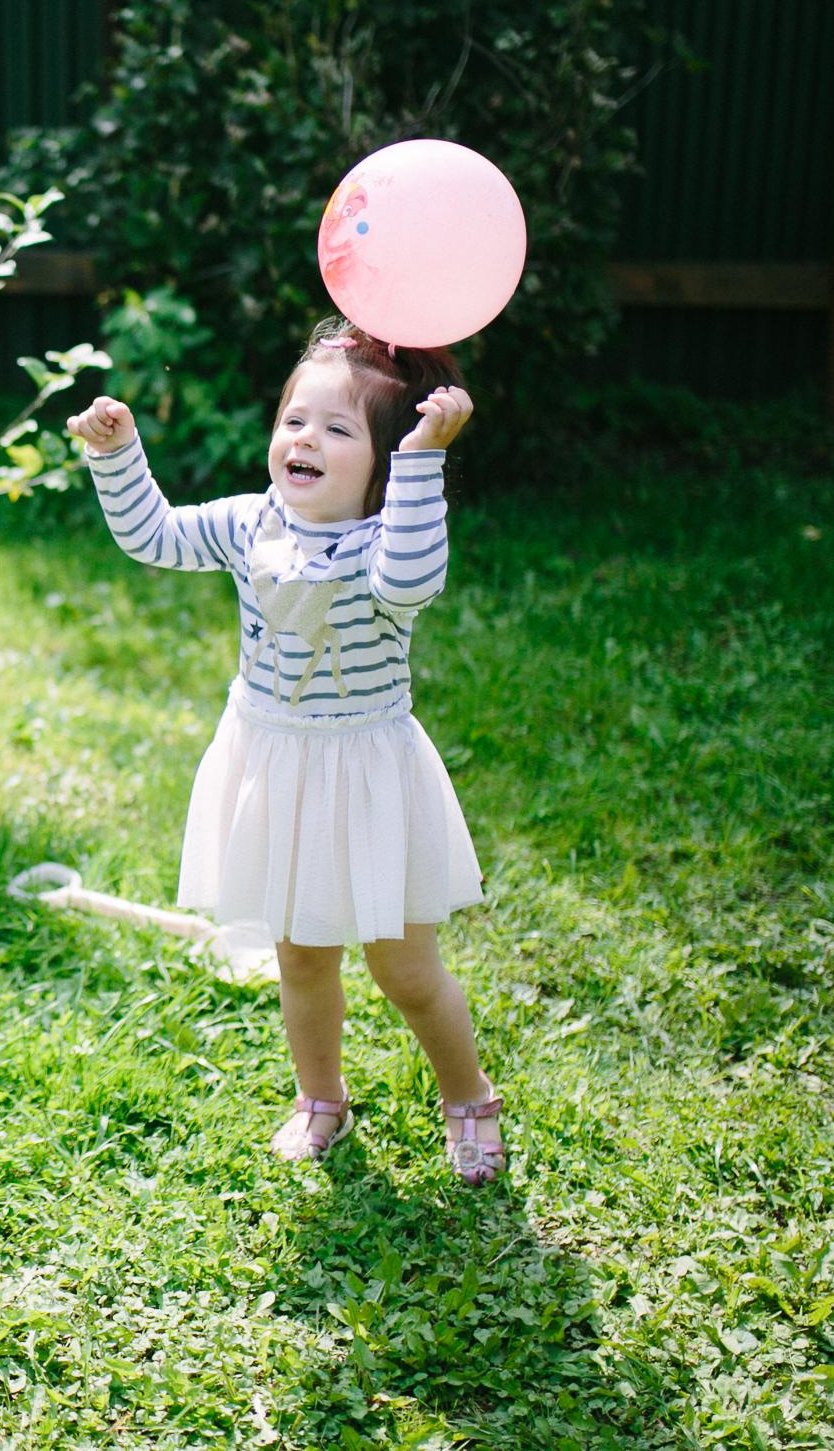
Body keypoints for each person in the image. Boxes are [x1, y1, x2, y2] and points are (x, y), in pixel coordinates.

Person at [64, 317, 505, 1184]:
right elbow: (152, 535)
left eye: (338, 430)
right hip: (278, 766)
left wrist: (424, 459)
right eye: (294, 419)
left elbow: (415, 578)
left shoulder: (386, 547)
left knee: (406, 970)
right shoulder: (247, 524)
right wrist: (118, 457)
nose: (304, 438)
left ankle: (469, 1095)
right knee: (301, 959)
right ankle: (321, 1096)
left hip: (368, 777)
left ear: (380, 468)